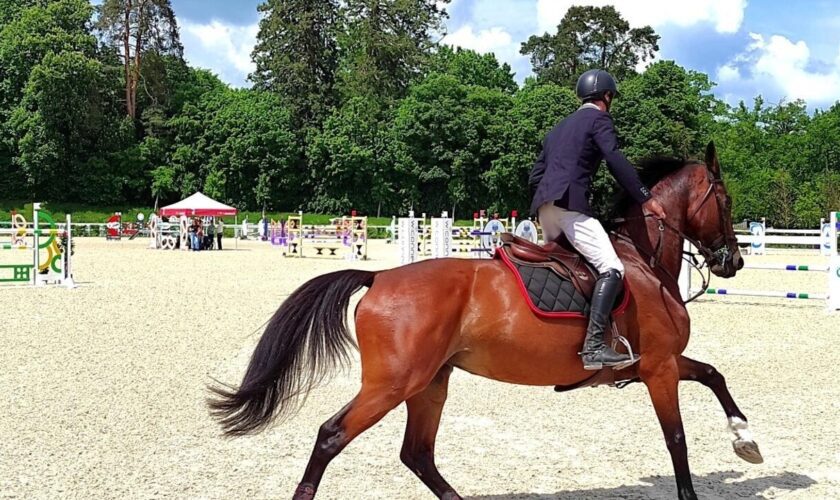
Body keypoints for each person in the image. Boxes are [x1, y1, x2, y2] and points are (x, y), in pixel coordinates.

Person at [529, 69, 667, 371]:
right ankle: (593, 346)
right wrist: (646, 197)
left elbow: (536, 175)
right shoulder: (599, 119)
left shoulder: (558, 128)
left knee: (568, 267)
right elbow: (615, 159)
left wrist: (545, 201)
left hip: (545, 207)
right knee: (611, 267)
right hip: (570, 206)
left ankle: (562, 332)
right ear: (607, 96)